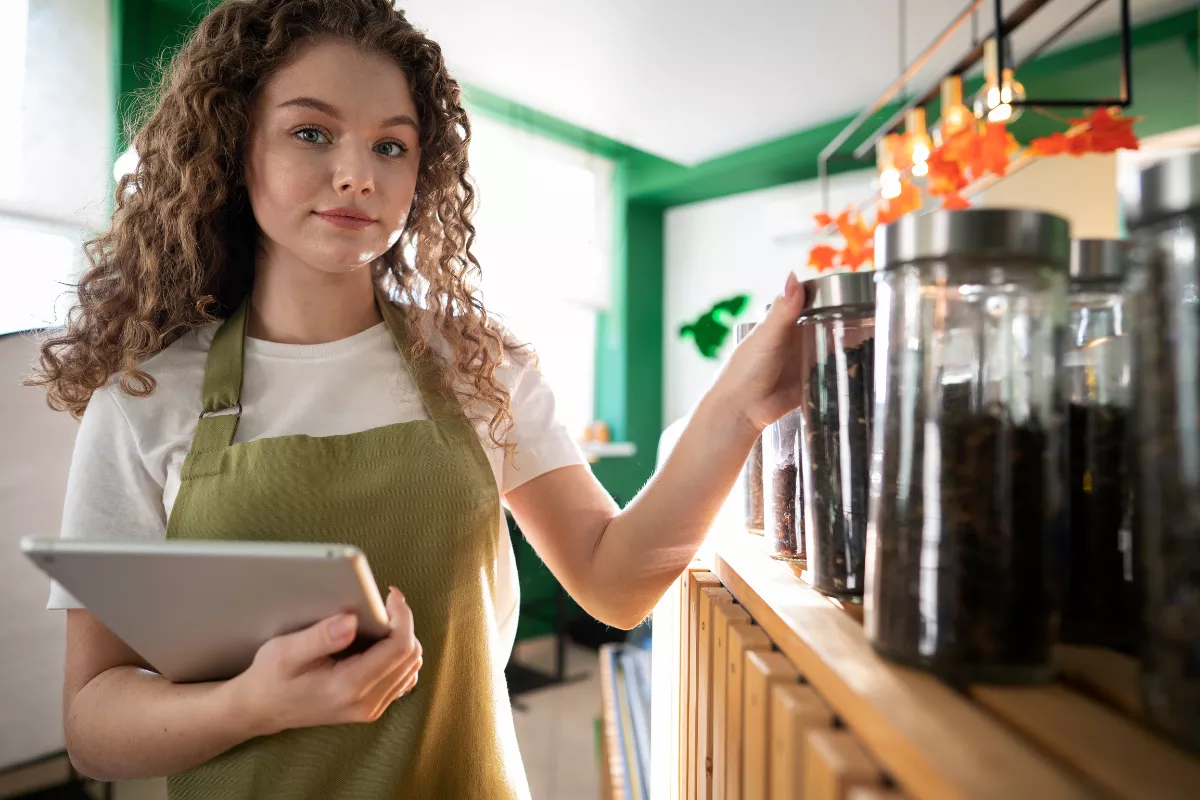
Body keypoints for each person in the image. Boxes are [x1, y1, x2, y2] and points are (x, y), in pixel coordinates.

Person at [30, 1, 806, 797]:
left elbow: (616, 582)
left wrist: (739, 406)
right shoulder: (144, 403)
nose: (358, 174)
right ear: (234, 149)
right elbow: (93, 728)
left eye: (391, 145)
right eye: (311, 133)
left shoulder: (479, 368)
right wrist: (249, 705)